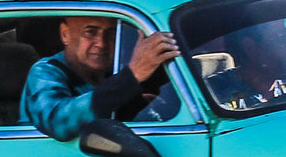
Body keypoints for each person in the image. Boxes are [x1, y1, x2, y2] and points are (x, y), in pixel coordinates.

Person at [22, 15, 180, 140]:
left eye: (111, 34)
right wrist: (133, 75)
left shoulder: (106, 73)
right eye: (90, 32)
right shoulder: (45, 71)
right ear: (65, 34)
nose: (102, 44)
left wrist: (143, 103)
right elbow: (59, 122)